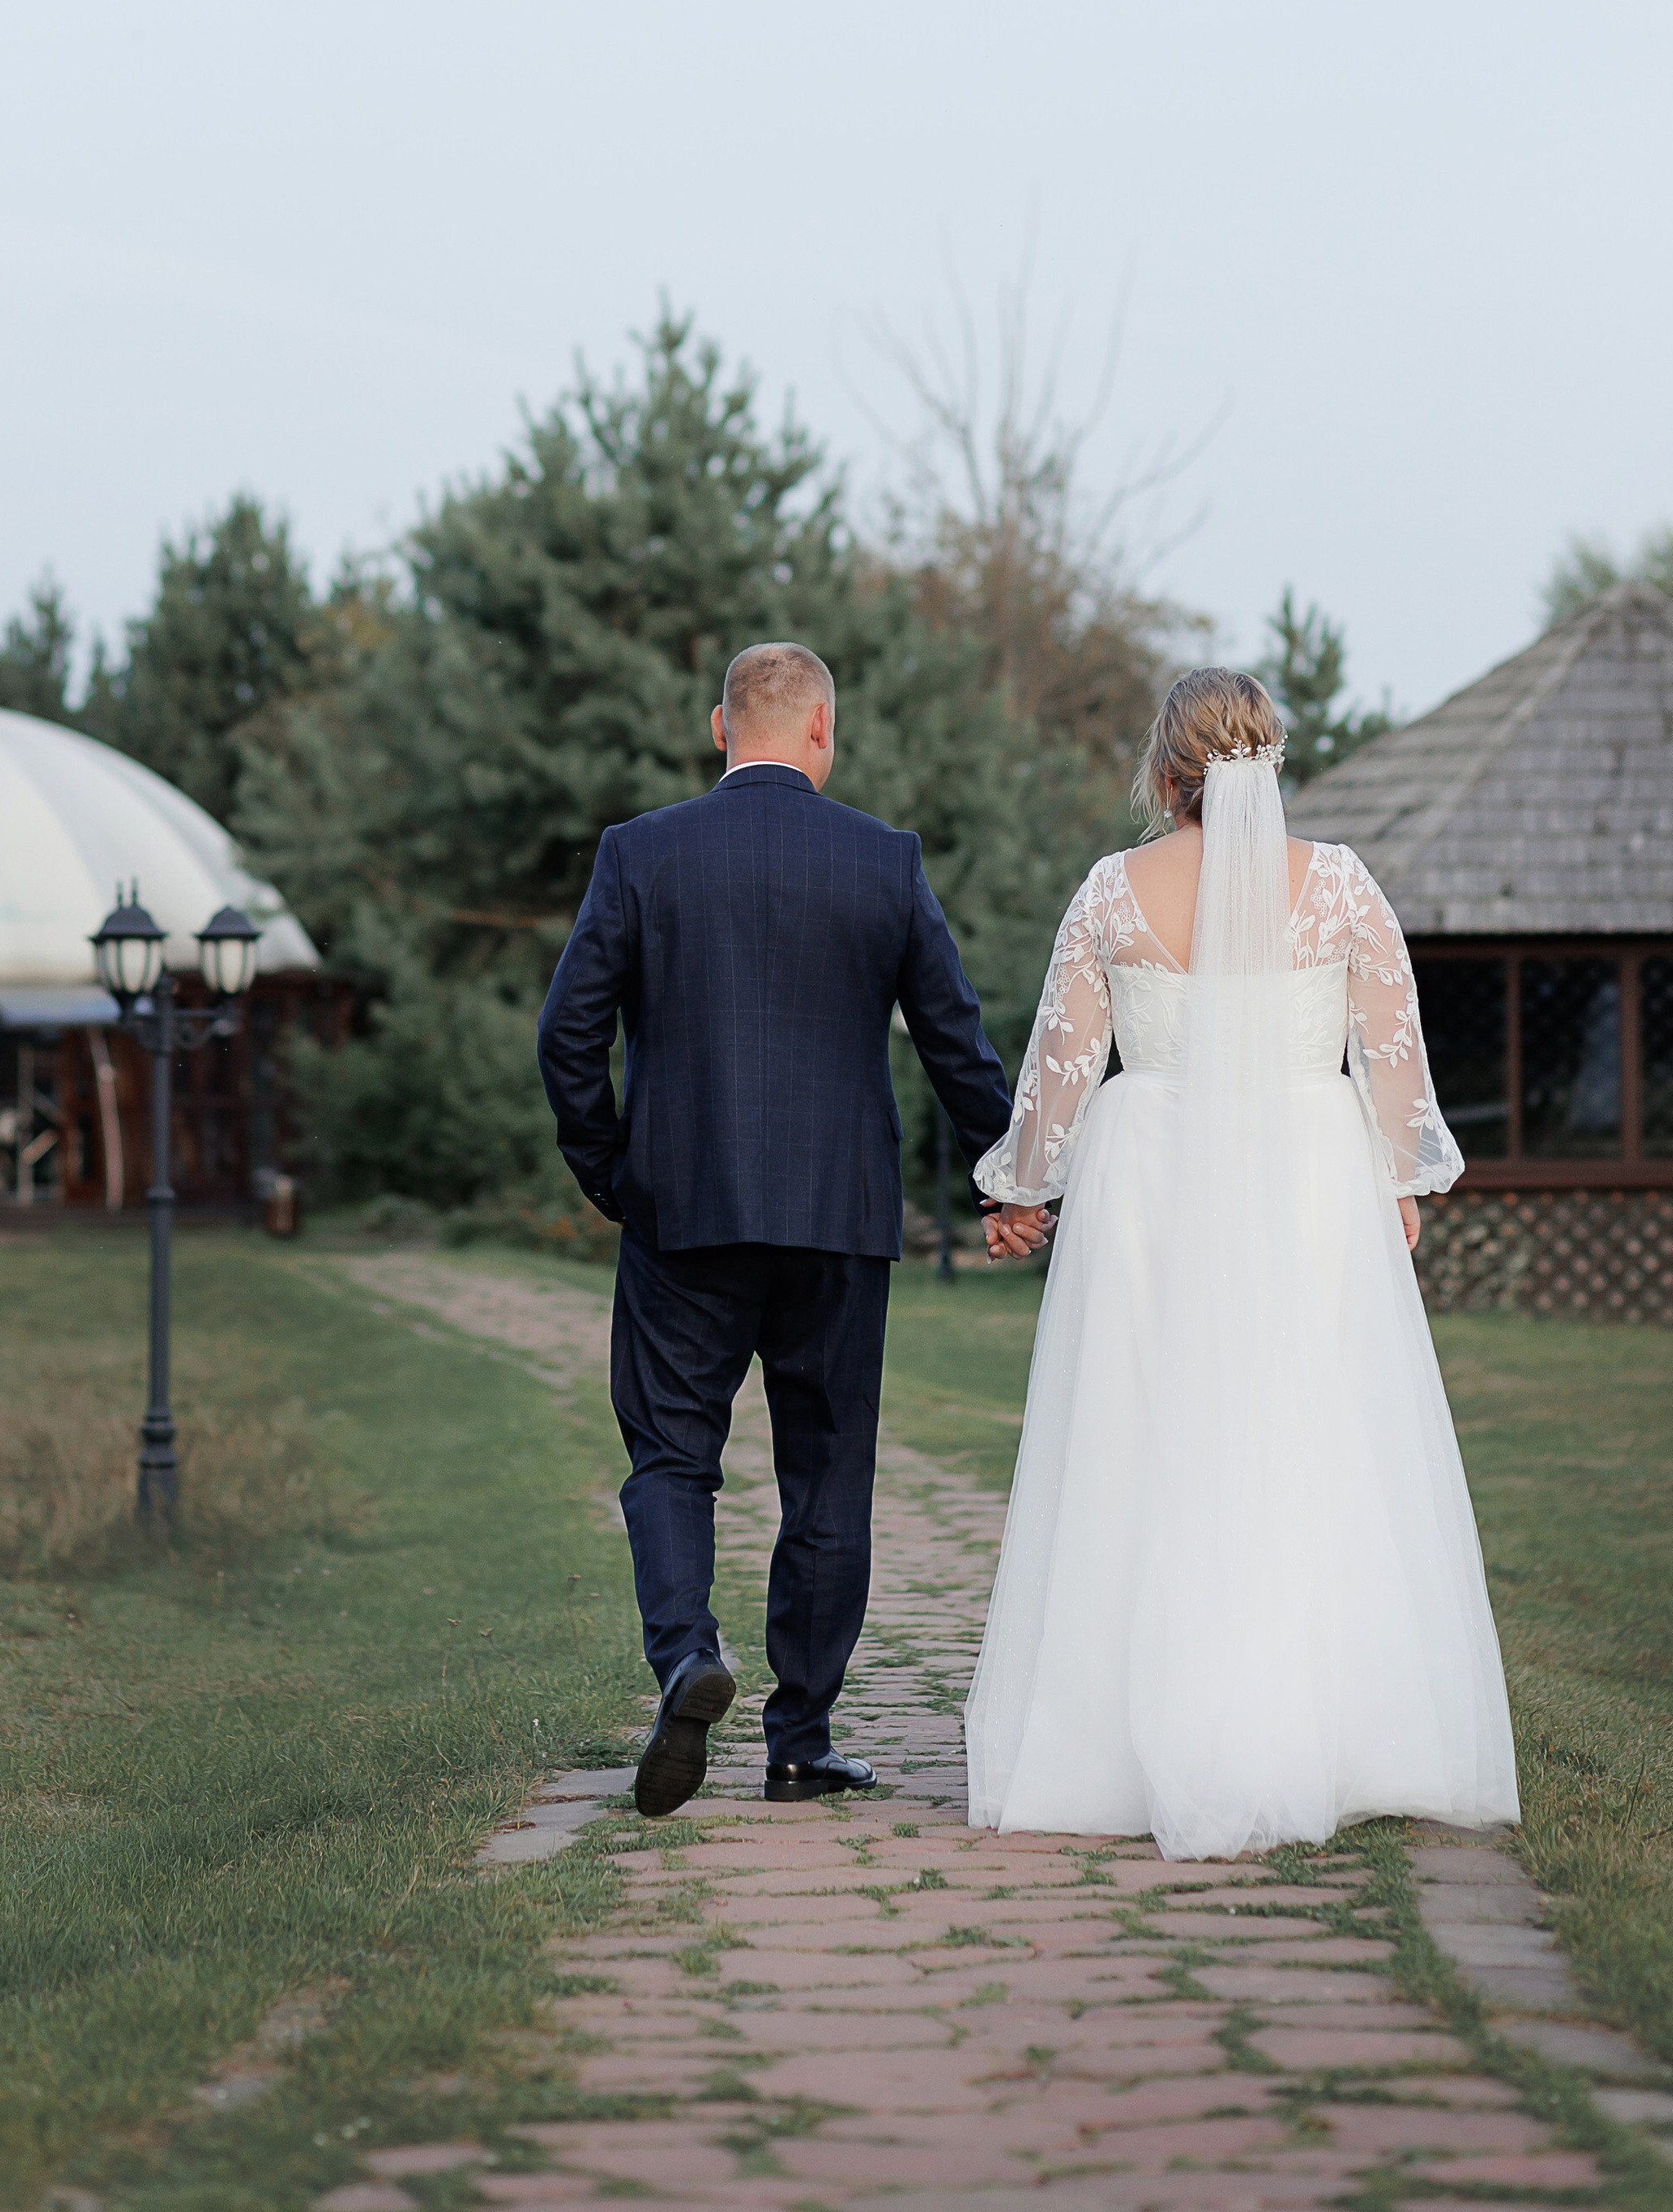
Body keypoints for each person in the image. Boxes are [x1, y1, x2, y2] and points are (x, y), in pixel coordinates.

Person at [966, 666, 1519, 1859]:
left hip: (1148, 1178)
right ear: (1268, 763)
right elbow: (1393, 1052)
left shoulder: (1113, 890)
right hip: (1311, 1173)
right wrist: (1398, 1180)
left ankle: (1127, 1734)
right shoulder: (1341, 886)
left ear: (1167, 774)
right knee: (1307, 1434)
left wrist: (1020, 1190)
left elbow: (1061, 1067)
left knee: (1144, 1436)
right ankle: (1334, 1730)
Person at [537, 640, 1014, 1818]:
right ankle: (799, 1741)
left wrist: (615, 1168)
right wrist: (1009, 1179)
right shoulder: (883, 861)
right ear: (821, 733)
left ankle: (688, 1654)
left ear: (719, 729)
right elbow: (955, 1040)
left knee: (670, 1455)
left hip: (682, 1212)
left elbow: (567, 1035)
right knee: (826, 1480)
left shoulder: (640, 854)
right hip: (838, 1223)